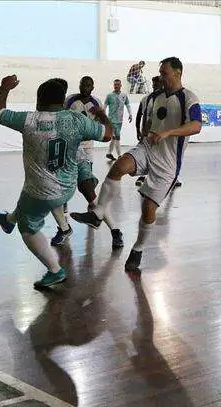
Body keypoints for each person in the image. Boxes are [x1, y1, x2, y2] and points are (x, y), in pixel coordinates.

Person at [70, 57, 202, 271]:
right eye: (160, 72)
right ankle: (98, 213)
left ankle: (138, 249)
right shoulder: (156, 96)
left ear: (178, 73)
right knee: (118, 166)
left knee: (148, 209)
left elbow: (196, 126)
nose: (160, 77)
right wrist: (146, 133)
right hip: (148, 147)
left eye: (164, 73)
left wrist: (168, 132)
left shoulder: (188, 97)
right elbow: (151, 119)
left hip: (167, 163)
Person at [0, 75, 113, 288]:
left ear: (39, 100)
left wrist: (4, 87)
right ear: (63, 100)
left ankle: (54, 270)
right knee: (26, 201)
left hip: (41, 191)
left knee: (28, 227)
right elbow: (108, 135)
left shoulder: (29, 120)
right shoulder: (76, 119)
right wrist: (103, 116)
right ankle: (8, 220)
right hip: (66, 188)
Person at [50, 76, 124, 248]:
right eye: (83, 84)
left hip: (85, 152)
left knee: (88, 192)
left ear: (93, 87)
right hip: (67, 150)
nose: (85, 87)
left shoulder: (96, 103)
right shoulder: (69, 101)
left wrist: (101, 118)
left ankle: (115, 230)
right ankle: (63, 228)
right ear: (79, 85)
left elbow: (102, 131)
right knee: (57, 194)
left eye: (89, 84)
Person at [134, 76, 162, 186]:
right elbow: (139, 115)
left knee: (162, 156)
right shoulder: (146, 99)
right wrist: (138, 130)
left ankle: (172, 177)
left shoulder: (167, 99)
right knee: (146, 154)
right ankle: (142, 176)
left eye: (157, 83)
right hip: (147, 133)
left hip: (160, 133)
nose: (155, 85)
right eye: (154, 84)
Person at [104, 79, 133, 161]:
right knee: (117, 137)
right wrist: (103, 116)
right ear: (113, 85)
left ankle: (109, 153)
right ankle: (120, 156)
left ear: (120, 85)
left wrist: (130, 114)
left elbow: (127, 105)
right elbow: (105, 106)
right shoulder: (109, 95)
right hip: (111, 120)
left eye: (118, 85)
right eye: (115, 85)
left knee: (114, 138)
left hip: (120, 120)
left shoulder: (124, 95)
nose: (116, 86)